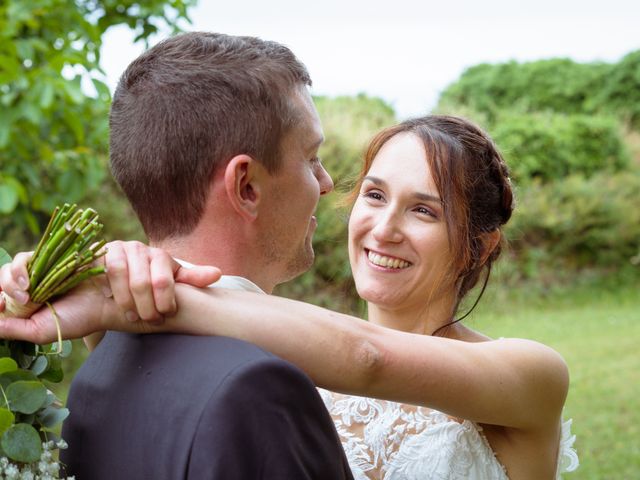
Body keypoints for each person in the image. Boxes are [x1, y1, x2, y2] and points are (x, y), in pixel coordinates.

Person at [0, 116, 579, 479]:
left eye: (424, 209)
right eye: (374, 196)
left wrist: (124, 294)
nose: (383, 229)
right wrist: (108, 282)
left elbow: (369, 357)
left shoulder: (530, 373)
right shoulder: (283, 352)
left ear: (481, 245)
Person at [0, 31, 354, 480]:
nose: (325, 183)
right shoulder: (255, 387)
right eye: (311, 158)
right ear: (246, 186)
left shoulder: (101, 367)